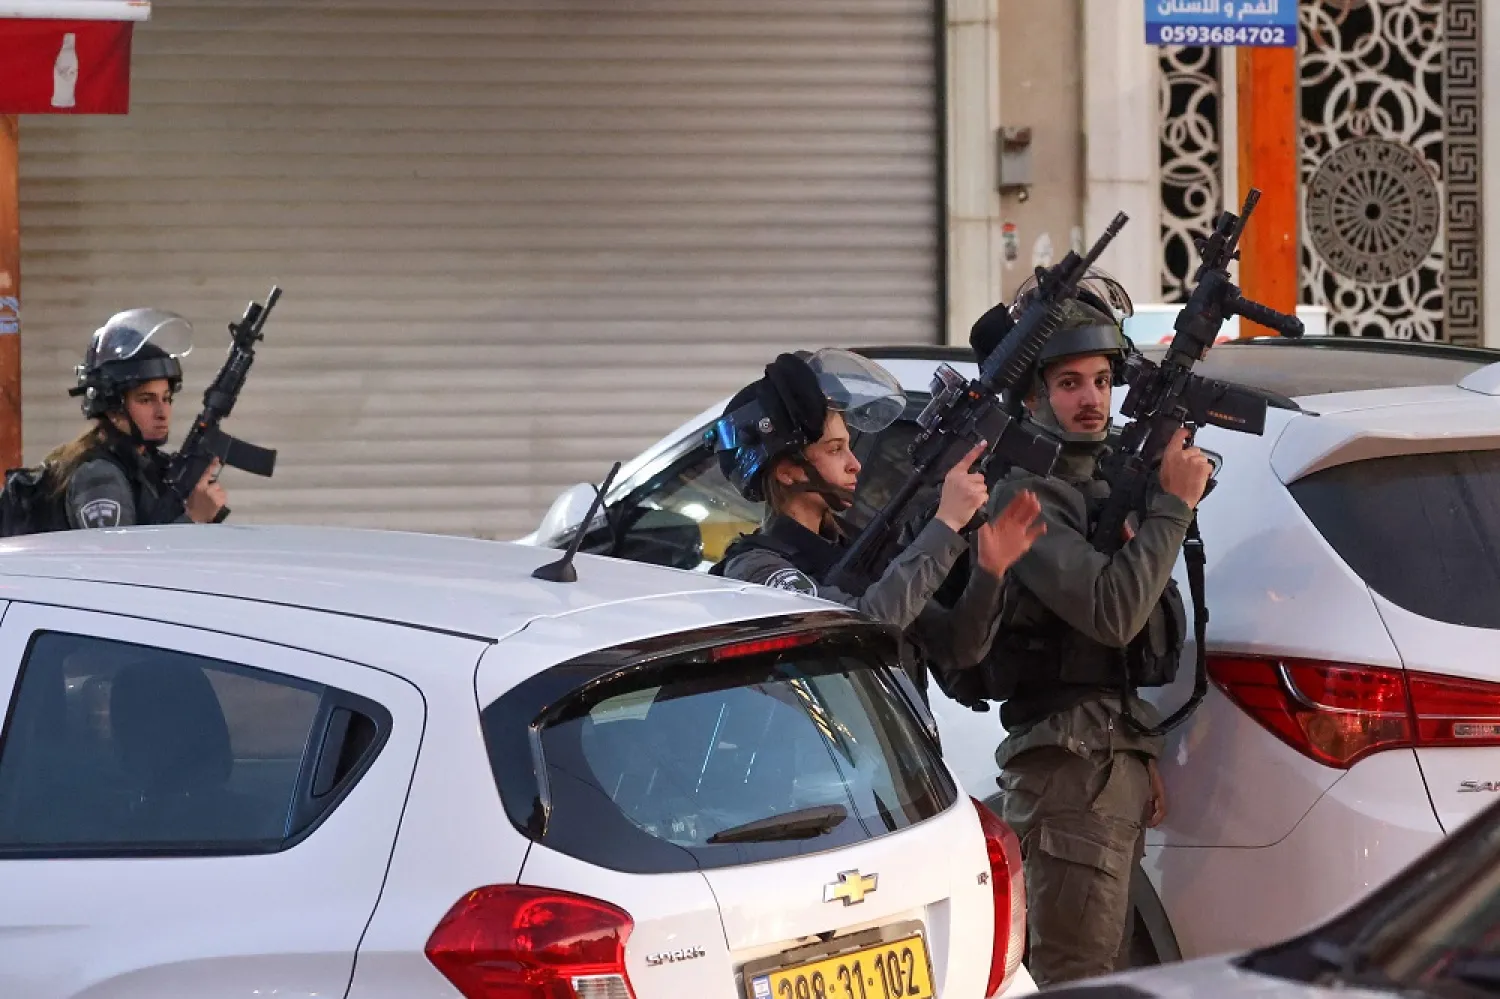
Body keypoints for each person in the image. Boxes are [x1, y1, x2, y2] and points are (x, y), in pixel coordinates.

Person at [981, 278, 1212, 986]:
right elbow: (1112, 611)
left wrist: (1135, 752)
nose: (1091, 399)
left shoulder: (1100, 480)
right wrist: (1173, 507)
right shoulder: (1025, 492)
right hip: (1068, 770)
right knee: (1079, 978)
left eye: (1103, 381)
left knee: (1108, 971)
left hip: (1105, 760)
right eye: (1069, 383)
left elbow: (1119, 645)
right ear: (1032, 397)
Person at [708, 348, 1045, 697]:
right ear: (788, 472)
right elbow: (863, 630)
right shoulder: (757, 569)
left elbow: (956, 648)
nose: (854, 463)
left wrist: (990, 570)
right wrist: (945, 524)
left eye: (848, 446)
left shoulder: (854, 546)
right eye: (835, 449)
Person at [44, 308, 227, 529]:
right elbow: (113, 552)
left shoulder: (145, 465)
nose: (162, 412)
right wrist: (194, 517)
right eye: (146, 400)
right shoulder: (100, 477)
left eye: (166, 398)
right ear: (113, 408)